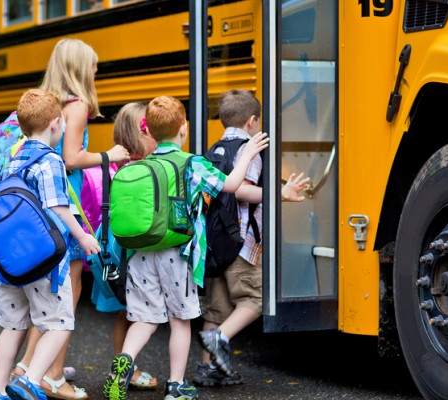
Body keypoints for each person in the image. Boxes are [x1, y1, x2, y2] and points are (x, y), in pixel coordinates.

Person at [102, 96, 270, 400]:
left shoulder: (143, 163)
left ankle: (124, 361)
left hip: (140, 254)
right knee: (180, 321)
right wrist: (246, 155)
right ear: (184, 128)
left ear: (149, 133)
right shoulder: (192, 163)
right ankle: (176, 386)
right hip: (177, 255)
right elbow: (231, 185)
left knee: (144, 319)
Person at [11, 38, 130, 400]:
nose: (96, 72)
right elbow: (72, 158)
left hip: (40, 208)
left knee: (48, 294)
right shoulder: (75, 106)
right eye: (93, 66)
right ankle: (52, 375)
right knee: (67, 292)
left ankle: (28, 365)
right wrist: (109, 154)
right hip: (67, 201)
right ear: (80, 69)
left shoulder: (48, 101)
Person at [0, 89, 100, 400]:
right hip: (44, 260)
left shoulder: (11, 156)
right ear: (55, 124)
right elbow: (58, 208)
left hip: (10, 259)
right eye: (62, 123)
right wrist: (83, 236)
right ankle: (31, 379)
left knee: (12, 326)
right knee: (60, 323)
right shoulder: (49, 160)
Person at [193, 89, 310, 388]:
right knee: (256, 297)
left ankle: (208, 369)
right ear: (252, 120)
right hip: (240, 244)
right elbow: (242, 189)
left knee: (217, 309)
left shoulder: (215, 149)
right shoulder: (251, 148)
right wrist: (279, 194)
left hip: (214, 243)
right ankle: (218, 339)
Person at [82, 102, 159, 389]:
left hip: (115, 246)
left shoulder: (118, 165)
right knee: (138, 312)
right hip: (133, 248)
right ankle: (129, 369)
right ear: (141, 134)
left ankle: (123, 365)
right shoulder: (142, 169)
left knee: (124, 312)